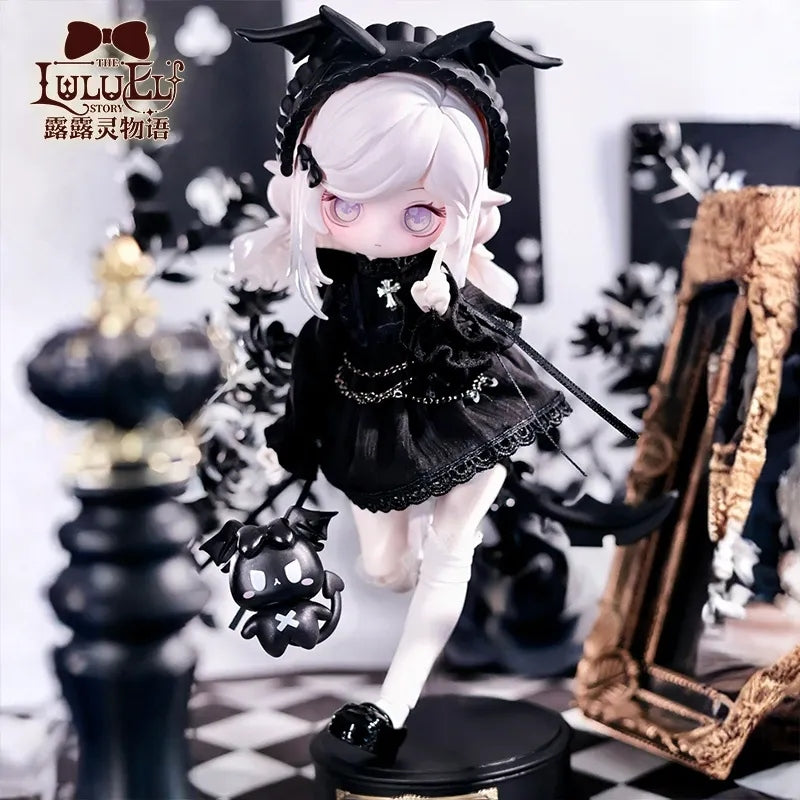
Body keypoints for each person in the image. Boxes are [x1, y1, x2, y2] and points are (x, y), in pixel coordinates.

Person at [229, 6, 624, 759]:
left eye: (420, 212)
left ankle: (392, 704)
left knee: (450, 552)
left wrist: (450, 304)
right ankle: (437, 563)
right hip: (372, 422)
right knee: (385, 570)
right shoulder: (334, 294)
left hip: (466, 407)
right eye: (346, 203)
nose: (379, 229)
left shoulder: (453, 275)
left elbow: (496, 329)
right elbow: (314, 367)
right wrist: (294, 451)